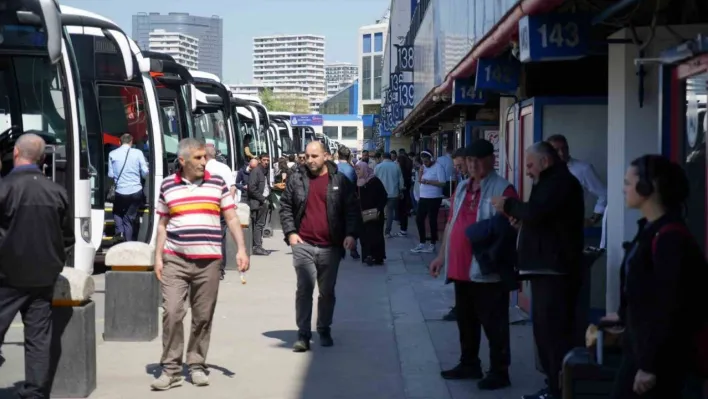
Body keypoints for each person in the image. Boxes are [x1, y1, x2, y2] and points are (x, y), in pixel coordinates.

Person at [606, 155, 707, 399]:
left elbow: (669, 307)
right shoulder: (651, 230)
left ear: (649, 187)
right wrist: (622, 315)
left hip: (660, 361)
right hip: (642, 351)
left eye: (629, 182)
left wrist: (649, 366)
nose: (624, 188)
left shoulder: (669, 238)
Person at [151, 138, 249, 391]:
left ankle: (196, 364)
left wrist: (241, 249)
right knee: (172, 312)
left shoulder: (216, 183)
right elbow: (161, 224)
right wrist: (158, 256)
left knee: (202, 316)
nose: (204, 162)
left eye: (205, 157)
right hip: (175, 260)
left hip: (208, 262)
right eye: (198, 158)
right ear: (182, 161)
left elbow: (230, 216)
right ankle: (171, 369)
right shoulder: (166, 186)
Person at [492, 141, 585, 399]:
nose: (528, 171)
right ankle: (554, 386)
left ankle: (559, 390)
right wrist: (522, 222)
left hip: (555, 270)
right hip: (546, 268)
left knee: (553, 334)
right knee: (545, 333)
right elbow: (541, 219)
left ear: (545, 161)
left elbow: (537, 211)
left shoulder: (560, 183)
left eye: (530, 165)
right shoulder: (550, 182)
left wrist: (509, 205)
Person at [429, 140, 517, 391]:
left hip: (487, 270)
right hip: (460, 269)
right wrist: (441, 256)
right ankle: (469, 363)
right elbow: (451, 224)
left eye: (478, 159)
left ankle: (500, 372)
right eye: (469, 160)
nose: (473, 164)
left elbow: (511, 230)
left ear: (492, 159)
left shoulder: (503, 189)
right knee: (466, 322)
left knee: (494, 324)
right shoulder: (462, 187)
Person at [0, 134, 74, 399]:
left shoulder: (4, 188)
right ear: (43, 158)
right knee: (38, 340)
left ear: (16, 153)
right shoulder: (57, 191)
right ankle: (35, 393)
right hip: (43, 277)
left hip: (6, 277)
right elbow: (68, 237)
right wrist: (54, 263)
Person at [279, 141, 359, 352]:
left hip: (330, 247)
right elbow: (285, 206)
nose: (310, 160)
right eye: (307, 156)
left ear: (326, 156)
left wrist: (351, 234)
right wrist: (291, 233)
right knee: (304, 290)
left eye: (315, 156)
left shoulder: (340, 181)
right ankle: (303, 334)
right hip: (303, 244)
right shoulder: (296, 179)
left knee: (327, 292)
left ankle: (324, 328)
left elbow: (351, 210)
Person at [108, 133, 149, 242]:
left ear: (119, 142)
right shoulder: (138, 153)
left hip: (120, 191)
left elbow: (110, 174)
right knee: (129, 218)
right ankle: (128, 242)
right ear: (131, 142)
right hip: (136, 191)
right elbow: (145, 172)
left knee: (117, 211)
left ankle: (119, 232)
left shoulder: (112, 154)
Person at [205, 144, 236, 281]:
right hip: (221, 208)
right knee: (220, 238)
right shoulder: (224, 168)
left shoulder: (201, 167)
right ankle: (220, 269)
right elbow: (232, 188)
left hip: (204, 209)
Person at [411, 150, 446, 253]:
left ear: (431, 159)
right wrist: (420, 173)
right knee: (419, 219)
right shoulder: (424, 167)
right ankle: (422, 242)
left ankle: (432, 243)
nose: (425, 163)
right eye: (423, 161)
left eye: (426, 161)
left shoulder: (438, 167)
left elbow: (443, 183)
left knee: (432, 220)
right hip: (423, 197)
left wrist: (428, 182)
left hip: (434, 197)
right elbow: (420, 181)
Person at [355, 161, 387, 265]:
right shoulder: (358, 183)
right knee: (364, 236)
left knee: (375, 236)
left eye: (359, 169)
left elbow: (384, 196)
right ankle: (367, 256)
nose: (357, 172)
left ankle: (377, 257)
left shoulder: (374, 181)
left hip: (375, 214)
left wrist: (378, 209)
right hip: (362, 214)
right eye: (356, 169)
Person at [337, 147, 360, 260]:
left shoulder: (334, 168)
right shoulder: (351, 169)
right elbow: (355, 184)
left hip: (335, 200)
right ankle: (353, 248)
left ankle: (339, 249)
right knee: (351, 223)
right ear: (349, 156)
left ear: (338, 155)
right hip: (350, 200)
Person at [374, 152, 404, 238]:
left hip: (380, 193)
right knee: (390, 212)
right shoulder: (396, 166)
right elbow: (401, 180)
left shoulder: (378, 167)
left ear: (382, 157)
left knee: (379, 211)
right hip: (393, 193)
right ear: (390, 157)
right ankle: (387, 232)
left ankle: (378, 230)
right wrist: (401, 191)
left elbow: (374, 180)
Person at [247, 153, 271, 256]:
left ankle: (258, 245)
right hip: (258, 202)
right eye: (264, 160)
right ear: (260, 160)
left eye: (268, 160)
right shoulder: (257, 171)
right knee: (258, 224)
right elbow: (252, 188)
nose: (266, 162)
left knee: (260, 224)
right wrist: (262, 199)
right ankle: (257, 247)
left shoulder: (265, 172)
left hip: (263, 200)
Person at [396, 148, 414, 237]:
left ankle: (403, 230)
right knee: (404, 211)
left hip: (401, 193)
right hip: (406, 193)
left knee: (401, 210)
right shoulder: (408, 170)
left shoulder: (400, 171)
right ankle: (403, 228)